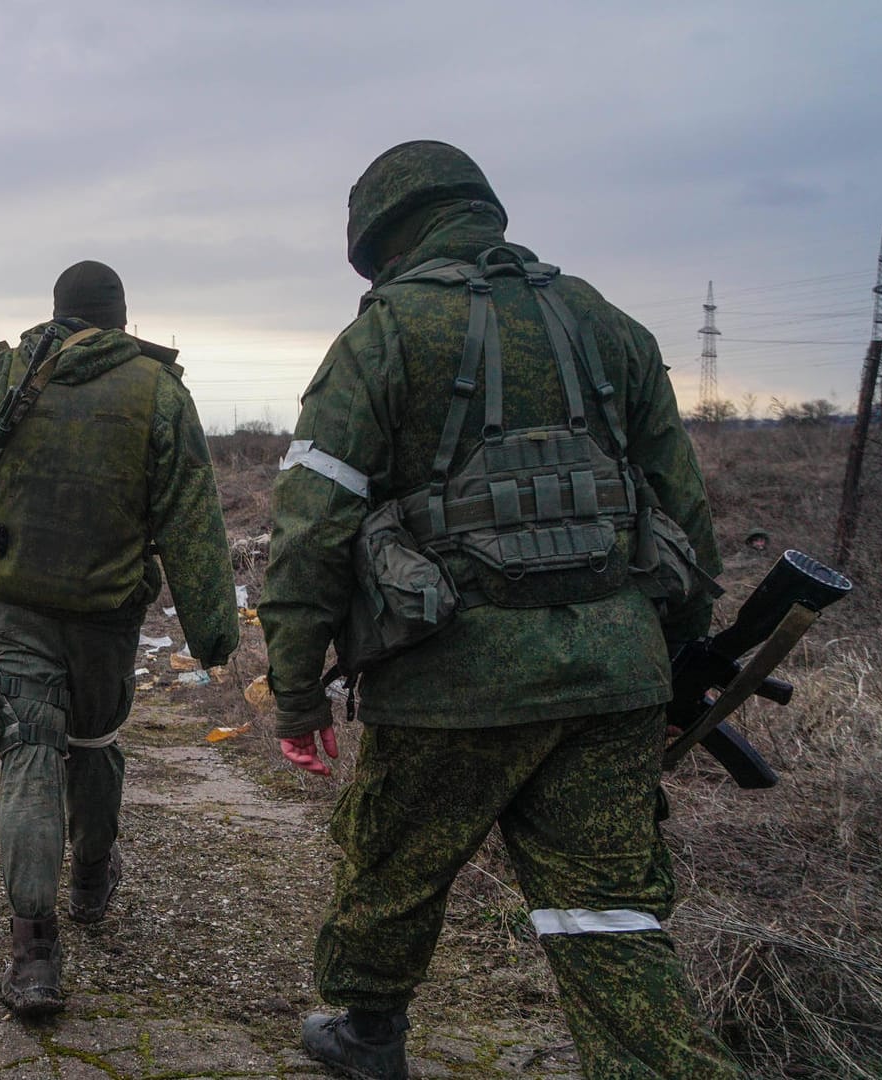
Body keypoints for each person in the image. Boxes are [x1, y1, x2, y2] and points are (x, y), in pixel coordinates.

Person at [257, 142, 739, 1079]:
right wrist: (670, 662)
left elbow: (311, 529)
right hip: (615, 669)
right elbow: (685, 517)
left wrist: (295, 696)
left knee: (391, 868)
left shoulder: (385, 335)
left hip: (449, 680)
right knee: (606, 906)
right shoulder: (607, 322)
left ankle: (367, 1039)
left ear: (380, 235)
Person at [0, 260, 238, 1018]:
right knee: (92, 746)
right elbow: (193, 522)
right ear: (123, 318)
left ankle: (33, 960)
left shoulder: (1, 374)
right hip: (106, 618)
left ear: (54, 311)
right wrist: (213, 636)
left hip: (15, 607)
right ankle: (90, 883)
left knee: (26, 754)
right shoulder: (159, 391)